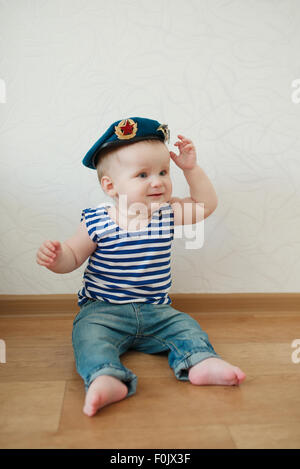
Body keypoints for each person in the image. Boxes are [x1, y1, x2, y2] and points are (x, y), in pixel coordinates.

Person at [36, 117, 246, 417]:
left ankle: (201, 361)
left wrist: (190, 169)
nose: (158, 181)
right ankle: (105, 376)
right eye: (143, 174)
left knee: (186, 327)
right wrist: (57, 258)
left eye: (163, 171)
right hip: (104, 310)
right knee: (88, 336)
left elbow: (205, 204)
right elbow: (72, 255)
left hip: (157, 311)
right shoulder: (97, 220)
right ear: (110, 185)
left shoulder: (167, 213)